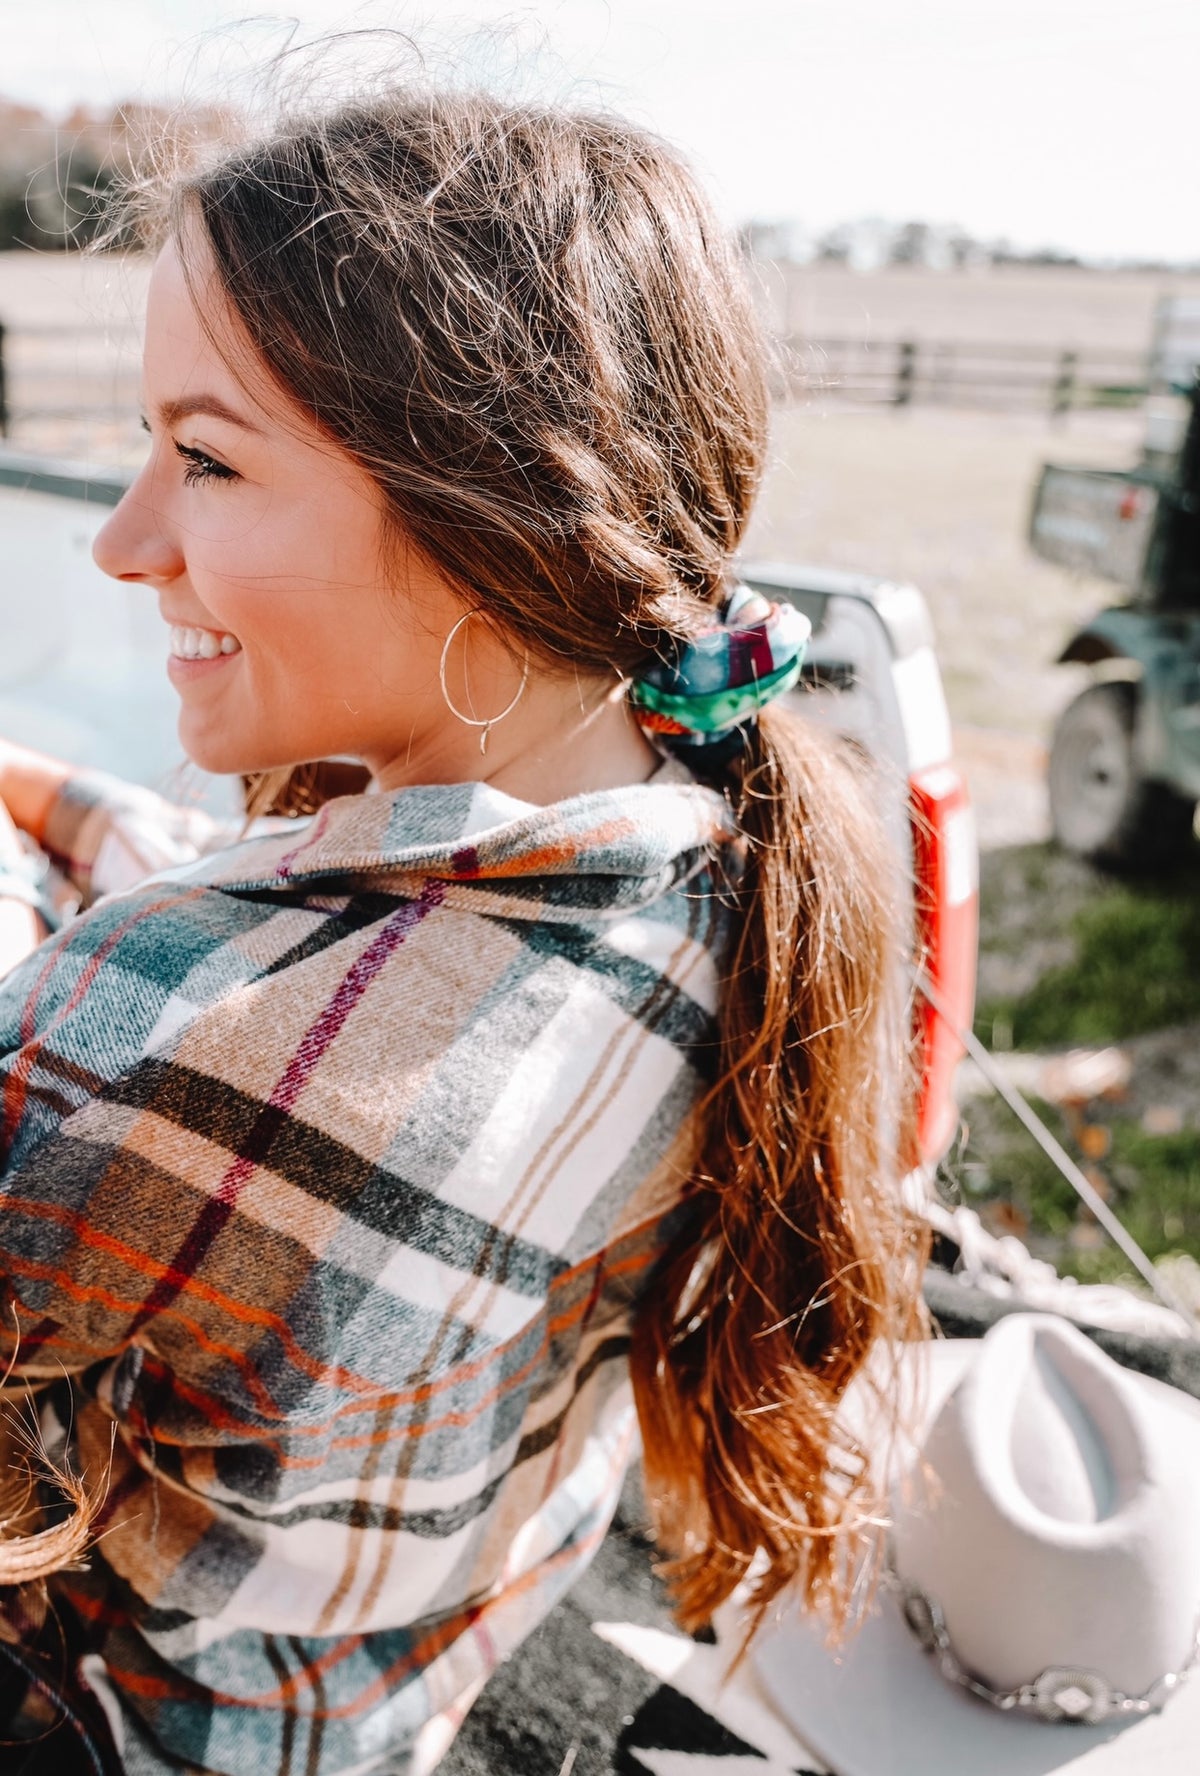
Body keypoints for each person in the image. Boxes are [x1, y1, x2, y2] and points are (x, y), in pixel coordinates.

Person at [0, 87, 923, 1775]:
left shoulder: (138, 1035)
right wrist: (38, 796)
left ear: (491, 527)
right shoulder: (714, 866)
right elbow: (253, 904)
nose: (127, 543)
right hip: (389, 1697)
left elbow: (191, 998)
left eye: (204, 459)